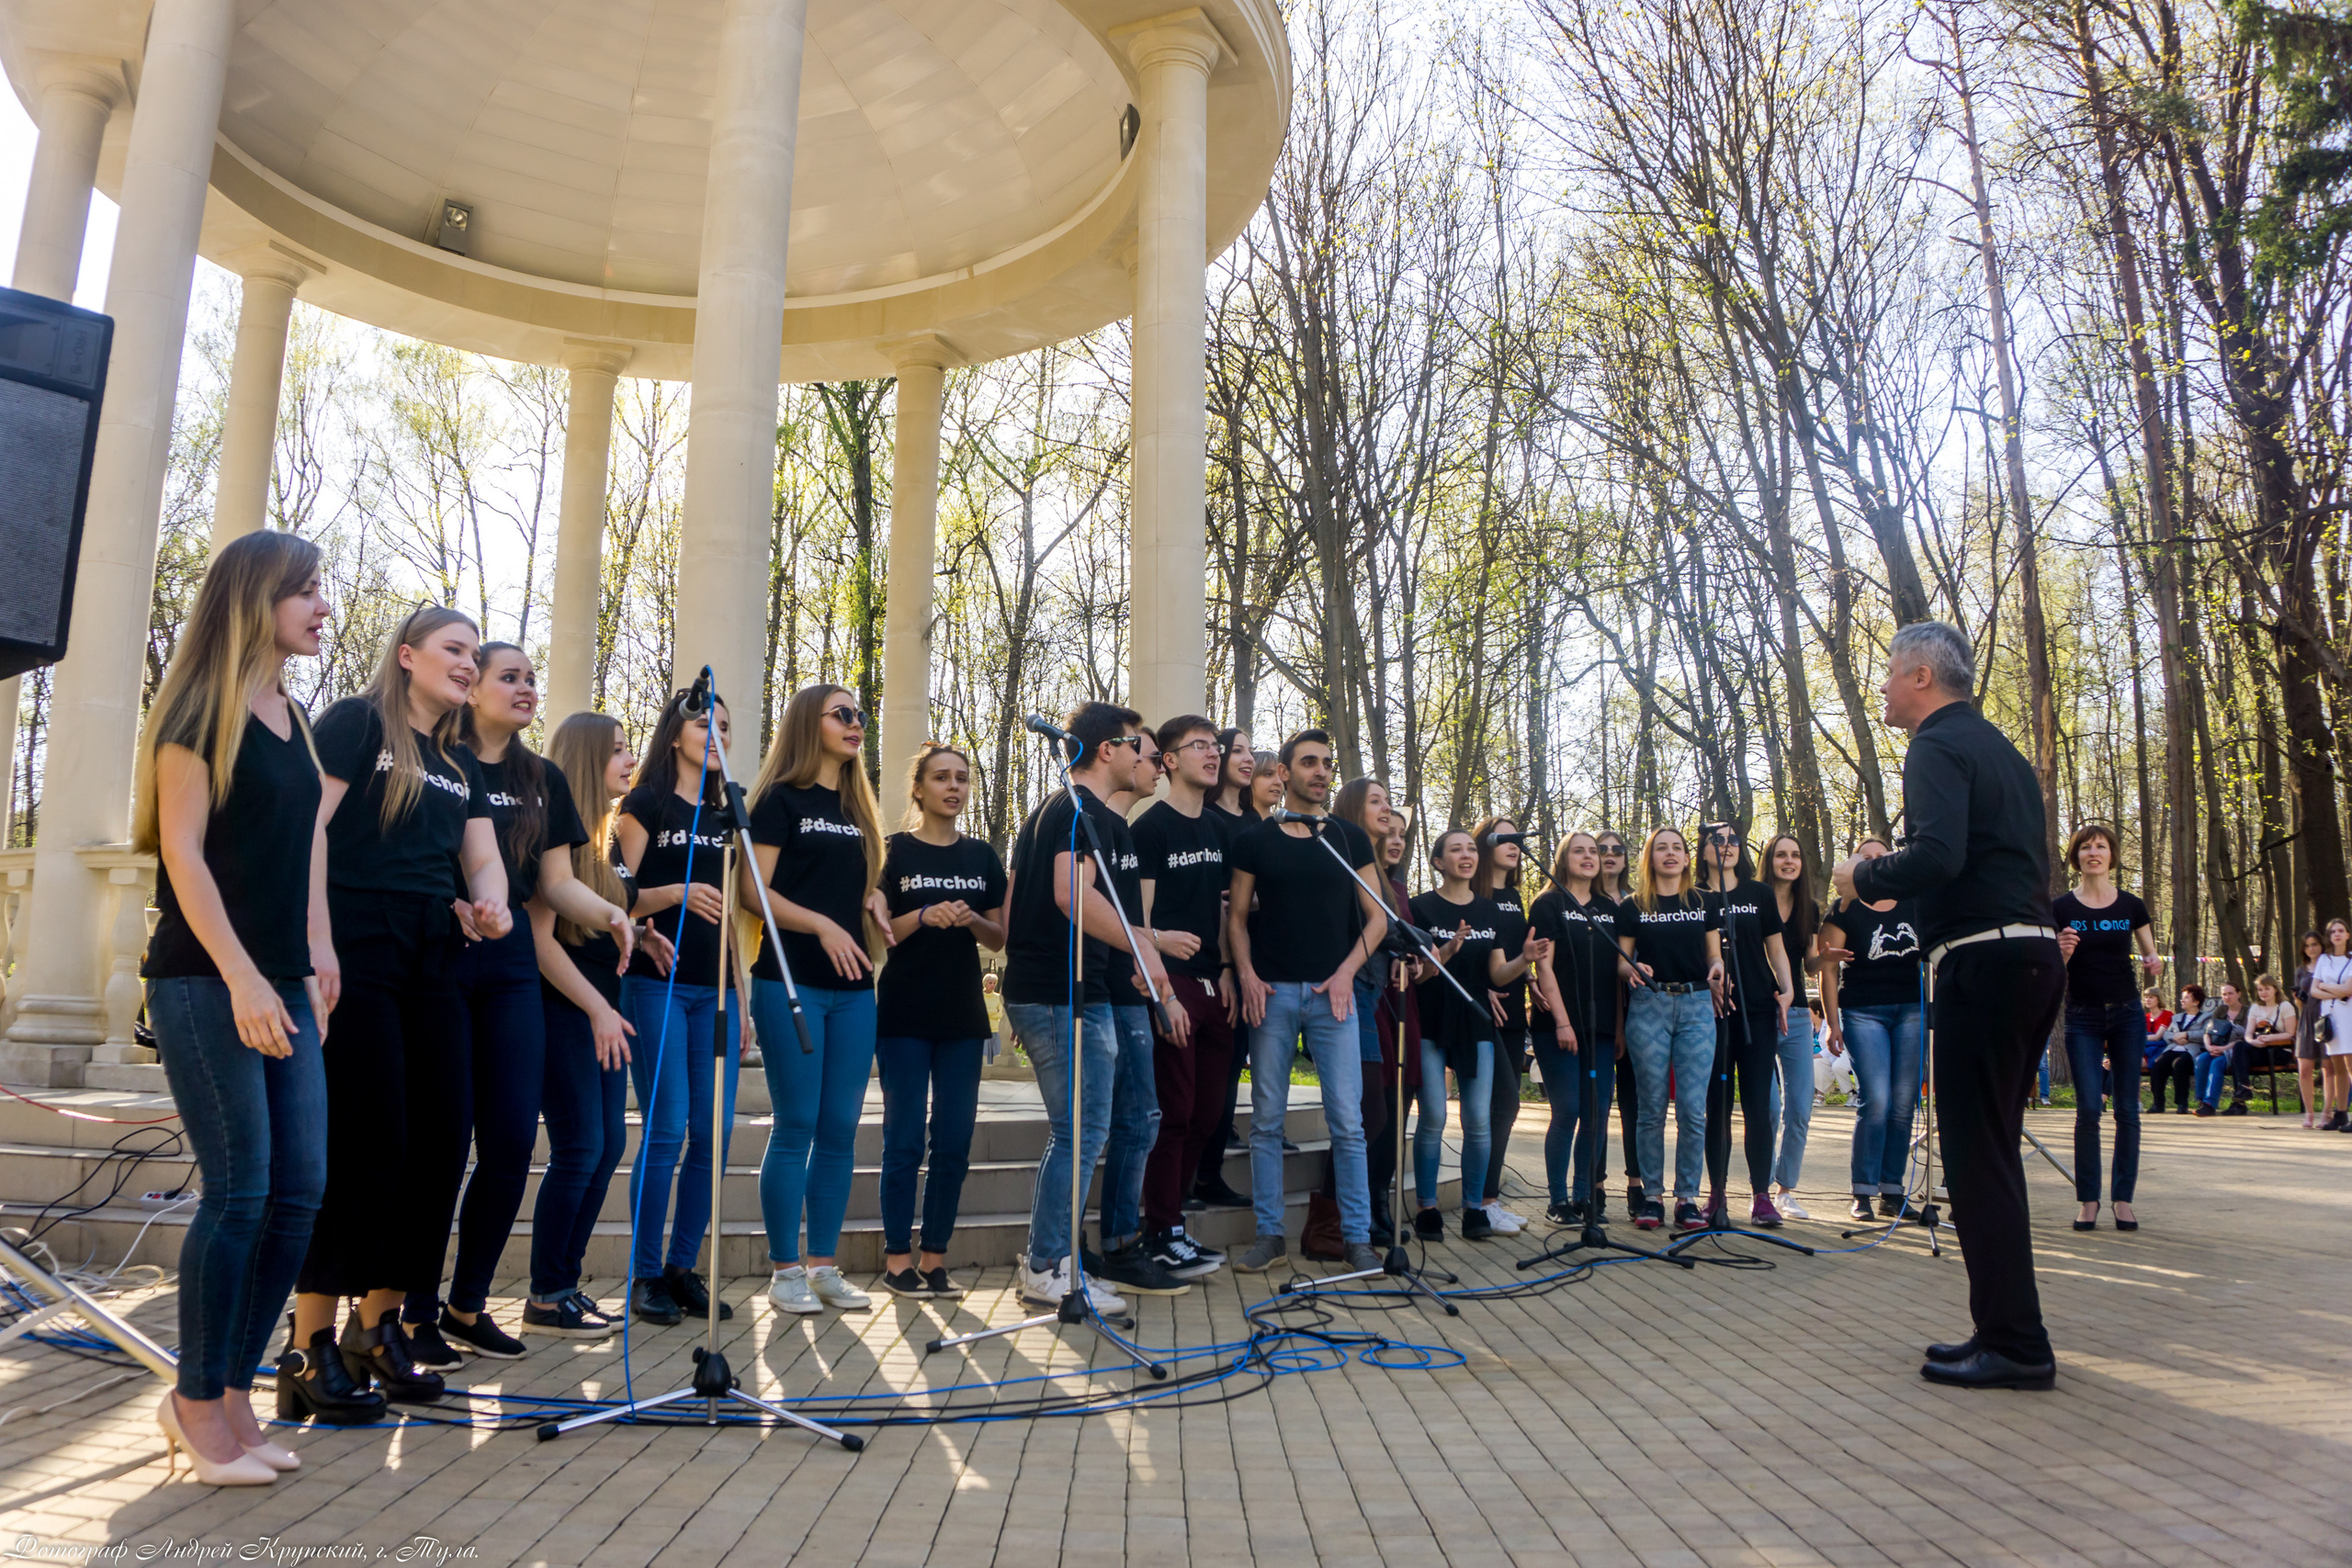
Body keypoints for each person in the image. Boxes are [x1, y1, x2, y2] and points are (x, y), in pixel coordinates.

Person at [136, 532, 367, 1480]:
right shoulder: (200, 709)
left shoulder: (294, 714)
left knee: (297, 1193)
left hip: (284, 981)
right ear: (254, 599)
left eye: (322, 589)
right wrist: (239, 975)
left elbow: (308, 842)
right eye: (304, 591)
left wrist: (317, 949)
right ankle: (195, 1401)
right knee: (239, 1193)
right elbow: (182, 855)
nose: (321, 605)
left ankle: (230, 1395)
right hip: (205, 977)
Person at [1832, 620, 2064, 1392]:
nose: (1886, 688)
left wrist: (1860, 878)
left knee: (1974, 1156)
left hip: (1984, 963)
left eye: (1893, 674)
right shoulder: (2000, 749)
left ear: (1924, 676)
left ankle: (2018, 1344)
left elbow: (1939, 856)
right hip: (2028, 959)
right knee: (1991, 1153)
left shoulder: (1935, 744)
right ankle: (2006, 1329)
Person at [291, 605, 509, 1407]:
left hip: (434, 953)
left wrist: (493, 907)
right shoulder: (358, 722)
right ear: (409, 655)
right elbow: (306, 826)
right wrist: (316, 944)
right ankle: (309, 1343)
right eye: (455, 649)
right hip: (357, 943)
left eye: (474, 654)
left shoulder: (460, 759)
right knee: (369, 1139)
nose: (467, 663)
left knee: (441, 1139)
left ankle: (377, 1328)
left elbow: (480, 859)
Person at [402, 645, 633, 1369]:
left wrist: (610, 912)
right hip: (440, 967)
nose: (527, 687)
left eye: (534, 677)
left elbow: (556, 883)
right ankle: (412, 1313)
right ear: (472, 691)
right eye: (510, 676)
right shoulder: (434, 759)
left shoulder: (544, 778)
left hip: (511, 977)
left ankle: (467, 1306)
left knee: (508, 1147)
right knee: (440, 1149)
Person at [1001, 701, 1182, 1314]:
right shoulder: (1074, 809)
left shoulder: (1092, 817)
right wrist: (1146, 948)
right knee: (1078, 1132)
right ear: (1108, 749)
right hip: (1056, 994)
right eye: (1140, 746)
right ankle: (1049, 1263)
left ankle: (1057, 1260)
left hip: (1077, 992)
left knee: (1083, 1131)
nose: (1148, 758)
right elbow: (1068, 893)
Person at [745, 684, 895, 1314]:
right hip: (790, 979)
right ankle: (784, 1272)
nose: (856, 722)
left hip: (855, 988)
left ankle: (823, 1266)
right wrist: (823, 924)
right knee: (797, 1123)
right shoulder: (781, 800)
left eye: (860, 714)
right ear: (811, 722)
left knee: (840, 1128)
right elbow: (756, 892)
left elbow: (849, 883)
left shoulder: (858, 807)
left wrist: (870, 900)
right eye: (843, 714)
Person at [1226, 729, 1387, 1273]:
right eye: (1309, 762)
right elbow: (1237, 917)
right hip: (1271, 995)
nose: (1320, 771)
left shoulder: (1347, 839)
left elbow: (1378, 919)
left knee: (1348, 1120)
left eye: (1327, 763)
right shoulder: (1255, 840)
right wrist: (1246, 974)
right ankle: (1270, 1235)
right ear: (1285, 773)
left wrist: (1346, 974)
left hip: (1332, 997)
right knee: (1268, 1120)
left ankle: (1357, 1237)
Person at [527, 712, 665, 1337]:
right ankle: (547, 1293)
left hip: (601, 1009)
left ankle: (567, 1283)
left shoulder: (604, 840)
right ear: (586, 757)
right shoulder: (548, 834)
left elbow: (598, 923)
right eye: (616, 749)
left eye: (629, 746)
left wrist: (638, 934)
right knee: (581, 1146)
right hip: (564, 1009)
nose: (629, 758)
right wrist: (597, 1008)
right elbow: (542, 943)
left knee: (607, 1144)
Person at [614, 688, 739, 1325]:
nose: (716, 734)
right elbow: (615, 896)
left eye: (725, 727)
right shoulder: (645, 802)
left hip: (713, 992)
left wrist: (738, 996)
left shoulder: (725, 818)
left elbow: (734, 916)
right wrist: (676, 893)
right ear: (674, 736)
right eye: (704, 724)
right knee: (666, 1128)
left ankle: (680, 1268)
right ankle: (642, 1274)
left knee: (713, 1136)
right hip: (655, 982)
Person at [874, 742, 1006, 1299]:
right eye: (941, 778)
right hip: (904, 1013)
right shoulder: (893, 853)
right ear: (919, 789)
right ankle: (897, 1258)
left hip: (962, 1016)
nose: (953, 787)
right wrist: (924, 915)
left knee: (953, 1141)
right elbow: (878, 935)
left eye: (962, 779)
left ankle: (935, 1257)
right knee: (904, 1140)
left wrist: (972, 917)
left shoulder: (981, 857)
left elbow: (1001, 937)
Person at [1133, 716, 1237, 1278]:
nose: (1213, 754)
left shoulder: (1220, 831)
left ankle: (1176, 1225)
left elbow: (1225, 912)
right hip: (1171, 987)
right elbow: (1134, 923)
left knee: (1208, 1113)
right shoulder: (1150, 829)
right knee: (1173, 1112)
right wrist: (1161, 954)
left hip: (1213, 985)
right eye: (1199, 746)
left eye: (1216, 746)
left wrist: (1225, 966)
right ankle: (1161, 1229)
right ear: (1169, 760)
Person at [1405, 829, 1538, 1239]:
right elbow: (1419, 975)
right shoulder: (1420, 907)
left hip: (1476, 1021)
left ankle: (1474, 1208)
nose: (1466, 855)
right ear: (1439, 863)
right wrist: (1446, 951)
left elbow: (1497, 973)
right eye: (1455, 850)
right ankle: (1427, 1207)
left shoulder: (1488, 910)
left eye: (1470, 849)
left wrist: (1524, 961)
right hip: (1431, 1020)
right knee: (1434, 1116)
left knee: (1478, 1120)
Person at [2051, 823, 2159, 1229]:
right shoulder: (2061, 908)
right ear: (2076, 857)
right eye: (2085, 847)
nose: (2093, 853)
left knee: (2128, 1109)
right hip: (2083, 1015)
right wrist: (2060, 953)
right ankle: (2089, 1200)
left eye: (2101, 847)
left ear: (2111, 856)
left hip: (2128, 1013)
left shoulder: (2131, 905)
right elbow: (2051, 973)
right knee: (2089, 1109)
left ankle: (2123, 1199)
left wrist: (2154, 966)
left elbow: (2151, 964)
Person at [1529, 831, 1634, 1224]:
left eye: (1595, 851)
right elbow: (1545, 968)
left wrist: (1619, 1028)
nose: (1590, 857)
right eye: (1581, 851)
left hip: (1603, 1027)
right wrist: (1562, 1022)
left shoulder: (1611, 907)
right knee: (1568, 1110)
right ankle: (1557, 1200)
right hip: (1558, 1026)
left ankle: (1584, 1196)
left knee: (1597, 1113)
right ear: (1563, 858)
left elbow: (1618, 974)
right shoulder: (1548, 903)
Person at [1693, 825, 1795, 1228]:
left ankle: (1761, 1196)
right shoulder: (1693, 897)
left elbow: (1776, 948)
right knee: (1715, 1106)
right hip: (1712, 1013)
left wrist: (1787, 991)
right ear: (1703, 851)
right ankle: (1715, 1194)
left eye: (1734, 840)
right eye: (1718, 840)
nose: (1727, 846)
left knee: (1758, 1105)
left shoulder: (1759, 894)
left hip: (1757, 1010)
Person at [1617, 827, 1717, 1232]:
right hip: (1650, 1005)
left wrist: (1718, 969)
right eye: (1662, 848)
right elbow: (1621, 961)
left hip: (1696, 1005)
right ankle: (1653, 1197)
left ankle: (1688, 1197)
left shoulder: (1703, 902)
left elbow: (1715, 954)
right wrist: (1632, 968)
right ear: (1650, 858)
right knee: (1651, 1107)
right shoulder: (1633, 905)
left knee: (1693, 1109)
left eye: (1677, 848)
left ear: (1687, 858)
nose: (1670, 854)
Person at [1818, 854, 1924, 1221]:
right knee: (1876, 1098)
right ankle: (1863, 1191)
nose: (1874, 863)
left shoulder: (1914, 901)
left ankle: (1892, 1191)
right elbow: (1827, 969)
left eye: (1881, 857)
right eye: (1866, 858)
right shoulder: (1843, 909)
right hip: (1864, 1012)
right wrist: (1833, 1023)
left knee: (1903, 1101)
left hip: (1911, 1009)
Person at [1192, 726, 1257, 1201]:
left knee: (1231, 1071)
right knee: (1206, 1074)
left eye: (1250, 751)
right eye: (1237, 750)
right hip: (1216, 962)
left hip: (1258, 959)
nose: (1246, 758)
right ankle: (1193, 1176)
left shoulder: (1257, 822)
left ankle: (1209, 1172)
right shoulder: (1207, 819)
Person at [1469, 817, 1539, 1235]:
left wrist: (1529, 977)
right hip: (1482, 1008)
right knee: (1499, 1103)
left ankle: (1490, 1198)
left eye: (1518, 838)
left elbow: (1513, 951)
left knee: (1507, 1108)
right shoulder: (1477, 893)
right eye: (1505, 838)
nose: (1515, 844)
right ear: (1485, 844)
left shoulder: (1513, 895)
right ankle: (1481, 1198)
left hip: (1513, 1010)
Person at [1760, 834, 1821, 1218]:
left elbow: (1811, 964)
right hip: (1759, 1013)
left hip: (1797, 1015)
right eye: (1781, 855)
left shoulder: (1809, 908)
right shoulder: (1754, 901)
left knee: (1799, 1106)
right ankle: (1760, 1190)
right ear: (1770, 861)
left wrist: (1825, 957)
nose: (1789, 861)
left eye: (1795, 855)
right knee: (1768, 1106)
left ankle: (1785, 1189)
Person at [1593, 829, 1640, 1220]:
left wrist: (1626, 1024)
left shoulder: (1637, 904)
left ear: (1626, 859)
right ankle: (1595, 1185)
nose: (1609, 854)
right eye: (1601, 849)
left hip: (1638, 1015)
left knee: (1634, 1105)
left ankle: (1637, 1184)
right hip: (1597, 1015)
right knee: (1597, 1106)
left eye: (1617, 850)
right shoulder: (1580, 901)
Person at [2310, 919, 2352, 1131]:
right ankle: (2341, 1113)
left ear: (2347, 935)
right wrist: (2334, 988)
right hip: (2330, 1018)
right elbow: (2313, 990)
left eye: (2341, 931)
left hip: (2349, 1017)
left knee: (2351, 1065)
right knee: (2337, 1067)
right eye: (2333, 931)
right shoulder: (2324, 960)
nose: (2337, 934)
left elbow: (2348, 990)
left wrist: (2326, 987)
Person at [2149, 986, 2209, 1113]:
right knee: (2158, 1064)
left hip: (2192, 1050)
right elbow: (2166, 1033)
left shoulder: (2206, 1017)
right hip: (2174, 1047)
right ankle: (2158, 1104)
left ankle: (2182, 1104)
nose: (2182, 1000)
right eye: (2182, 998)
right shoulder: (2177, 1018)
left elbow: (2206, 1033)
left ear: (2196, 1002)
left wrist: (2187, 1035)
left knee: (2179, 1064)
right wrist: (2176, 1037)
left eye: (2186, 998)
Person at [2192, 982, 2246, 1116]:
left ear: (2238, 994)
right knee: (2202, 1059)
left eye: (2230, 993)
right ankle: (2201, 1101)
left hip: (2235, 1050)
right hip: (2215, 1047)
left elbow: (2245, 1039)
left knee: (2217, 1063)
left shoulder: (2247, 1011)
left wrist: (2224, 1049)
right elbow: (2207, 1032)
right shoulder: (2220, 1010)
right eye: (2224, 994)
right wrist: (2209, 1046)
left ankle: (2210, 1104)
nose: (2227, 997)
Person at [2290, 932, 2325, 1126]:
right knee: (2304, 1069)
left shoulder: (2329, 966)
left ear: (2321, 946)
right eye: (2308, 945)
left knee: (2329, 1069)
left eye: (2315, 944)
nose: (2311, 948)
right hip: (2306, 1020)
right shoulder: (2301, 971)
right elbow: (2301, 1003)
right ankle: (2309, 1113)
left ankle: (2328, 1112)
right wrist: (2298, 1000)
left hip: (2327, 1018)